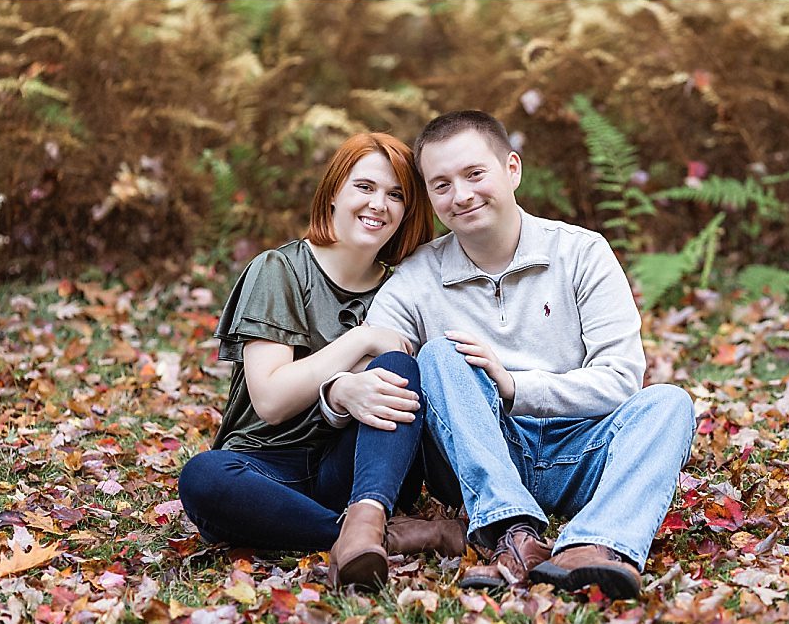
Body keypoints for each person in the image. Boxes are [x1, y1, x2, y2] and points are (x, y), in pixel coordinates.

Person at [363, 110, 696, 598]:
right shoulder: (417, 276)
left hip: (584, 450)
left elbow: (621, 379)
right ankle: (511, 534)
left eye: (475, 174)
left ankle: (596, 546)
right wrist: (339, 387)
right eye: (441, 185)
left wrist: (513, 385)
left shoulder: (582, 253)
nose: (461, 195)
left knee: (670, 403)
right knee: (439, 356)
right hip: (480, 453)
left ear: (512, 169)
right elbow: (374, 353)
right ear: (430, 196)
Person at [176, 132, 467, 591]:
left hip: (357, 470)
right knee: (203, 476)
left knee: (400, 368)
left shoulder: (404, 289)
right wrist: (357, 345)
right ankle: (372, 536)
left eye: (396, 195)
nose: (379, 205)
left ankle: (362, 523)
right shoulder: (280, 271)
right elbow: (270, 401)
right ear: (334, 192)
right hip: (262, 469)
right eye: (365, 187)